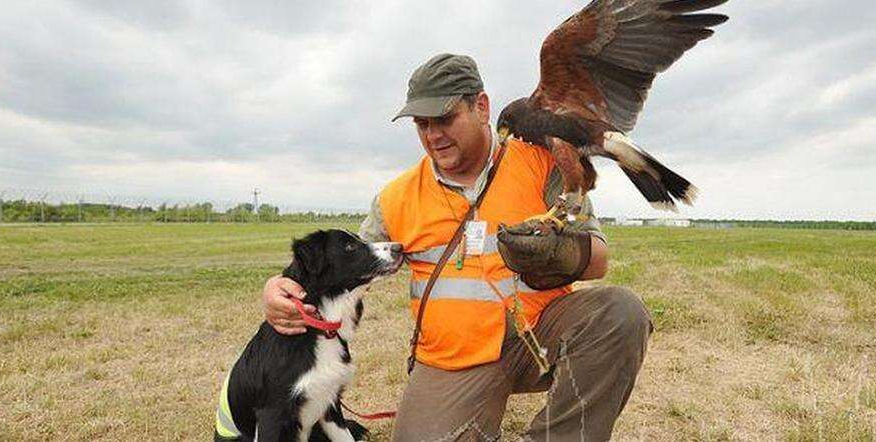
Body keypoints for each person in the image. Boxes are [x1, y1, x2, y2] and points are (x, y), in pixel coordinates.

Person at [262, 53, 652, 441]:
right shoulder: (397, 198)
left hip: (538, 337)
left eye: (445, 119)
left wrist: (559, 252)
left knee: (619, 312)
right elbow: (340, 263)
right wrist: (278, 287)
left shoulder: (541, 163)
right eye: (422, 124)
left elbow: (598, 259)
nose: (433, 135)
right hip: (453, 359)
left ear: (481, 107)